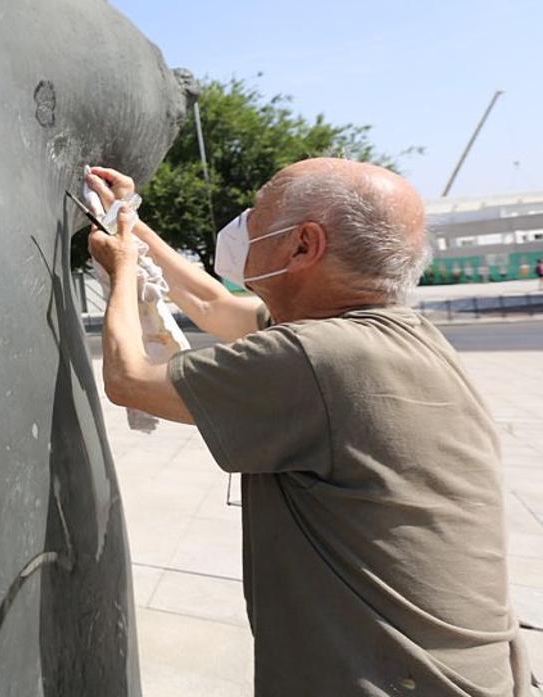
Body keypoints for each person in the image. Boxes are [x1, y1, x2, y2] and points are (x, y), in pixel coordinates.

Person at [85, 158, 534, 696]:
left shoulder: (320, 357)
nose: (245, 226)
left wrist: (122, 270)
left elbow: (130, 379)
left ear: (302, 245)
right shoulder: (392, 336)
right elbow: (215, 304)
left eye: (259, 215)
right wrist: (128, 220)